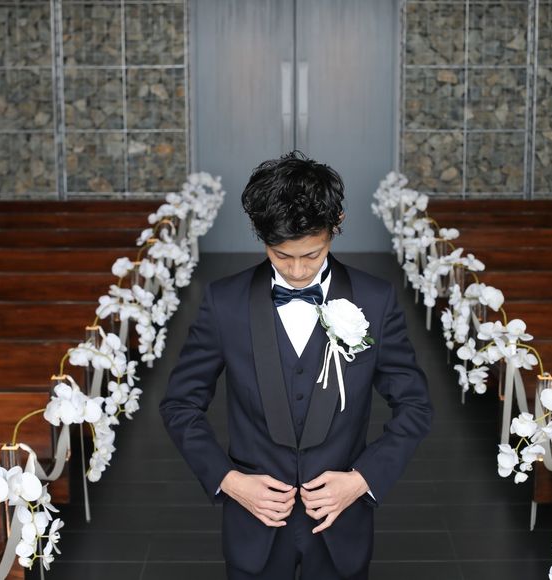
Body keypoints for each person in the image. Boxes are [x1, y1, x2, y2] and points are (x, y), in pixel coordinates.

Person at [159, 151, 433, 579]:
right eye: (281, 256)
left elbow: (415, 404)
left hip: (342, 526)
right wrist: (230, 481)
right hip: (254, 527)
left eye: (312, 254)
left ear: (337, 224)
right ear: (261, 236)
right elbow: (179, 404)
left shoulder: (375, 300)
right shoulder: (224, 302)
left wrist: (362, 479)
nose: (298, 271)